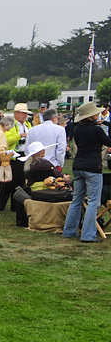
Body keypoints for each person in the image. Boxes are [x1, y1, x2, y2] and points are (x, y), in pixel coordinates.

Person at [63, 101, 110, 243]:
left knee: (77, 199)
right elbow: (108, 142)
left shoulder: (77, 129)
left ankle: (69, 231)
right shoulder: (97, 130)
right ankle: (88, 234)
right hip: (93, 167)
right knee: (93, 201)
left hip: (78, 166)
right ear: (91, 116)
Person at [23, 107, 67, 172]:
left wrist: (32, 160)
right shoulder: (60, 130)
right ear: (54, 118)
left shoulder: (32, 130)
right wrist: (60, 163)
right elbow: (61, 149)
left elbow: (27, 149)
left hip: (35, 164)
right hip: (52, 164)